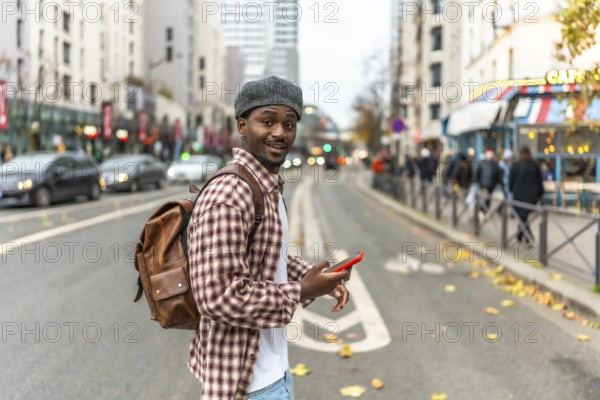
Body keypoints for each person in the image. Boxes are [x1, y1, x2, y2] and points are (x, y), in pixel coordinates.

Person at [186, 76, 352, 400]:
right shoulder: (230, 192)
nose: (280, 132)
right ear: (243, 126)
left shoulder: (266, 186)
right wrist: (302, 290)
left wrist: (314, 277)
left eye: (289, 124)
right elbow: (218, 296)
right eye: (268, 121)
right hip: (246, 385)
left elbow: (265, 256)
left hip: (274, 371)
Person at [509, 145, 544, 245]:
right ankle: (521, 237)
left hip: (518, 195)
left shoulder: (516, 165)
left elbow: (511, 180)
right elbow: (540, 181)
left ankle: (528, 239)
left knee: (522, 217)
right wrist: (540, 195)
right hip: (531, 196)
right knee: (523, 217)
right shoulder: (534, 165)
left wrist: (511, 190)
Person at [475, 149, 503, 215]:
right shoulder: (481, 163)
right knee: (483, 198)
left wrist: (499, 182)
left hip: (491, 185)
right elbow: (478, 173)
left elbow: (498, 174)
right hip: (483, 185)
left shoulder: (495, 164)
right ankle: (480, 212)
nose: (490, 155)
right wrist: (477, 182)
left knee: (488, 199)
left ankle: (484, 211)